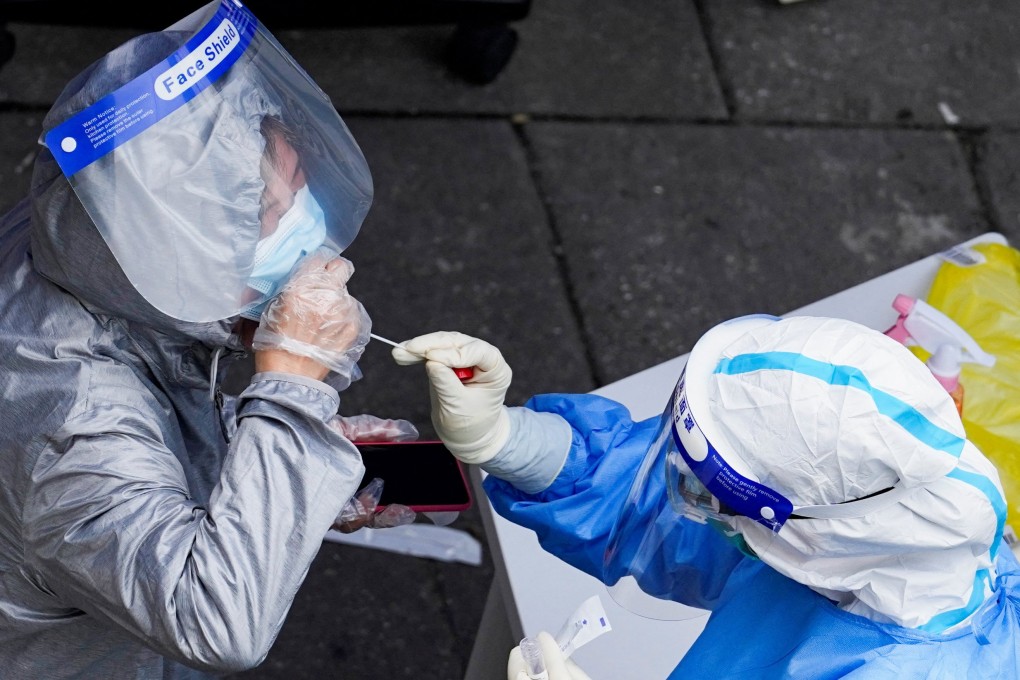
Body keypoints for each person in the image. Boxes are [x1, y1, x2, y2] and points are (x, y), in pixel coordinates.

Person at [0, 1, 417, 677]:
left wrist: (287, 460)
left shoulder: (85, 236)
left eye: (297, 174)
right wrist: (290, 389)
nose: (301, 219)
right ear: (172, 241)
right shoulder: (69, 432)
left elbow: (152, 414)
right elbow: (218, 620)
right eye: (270, 208)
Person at [392, 316, 1020, 679]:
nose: (677, 486)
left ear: (796, 521)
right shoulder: (856, 546)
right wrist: (511, 441)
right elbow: (676, 528)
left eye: (711, 489)